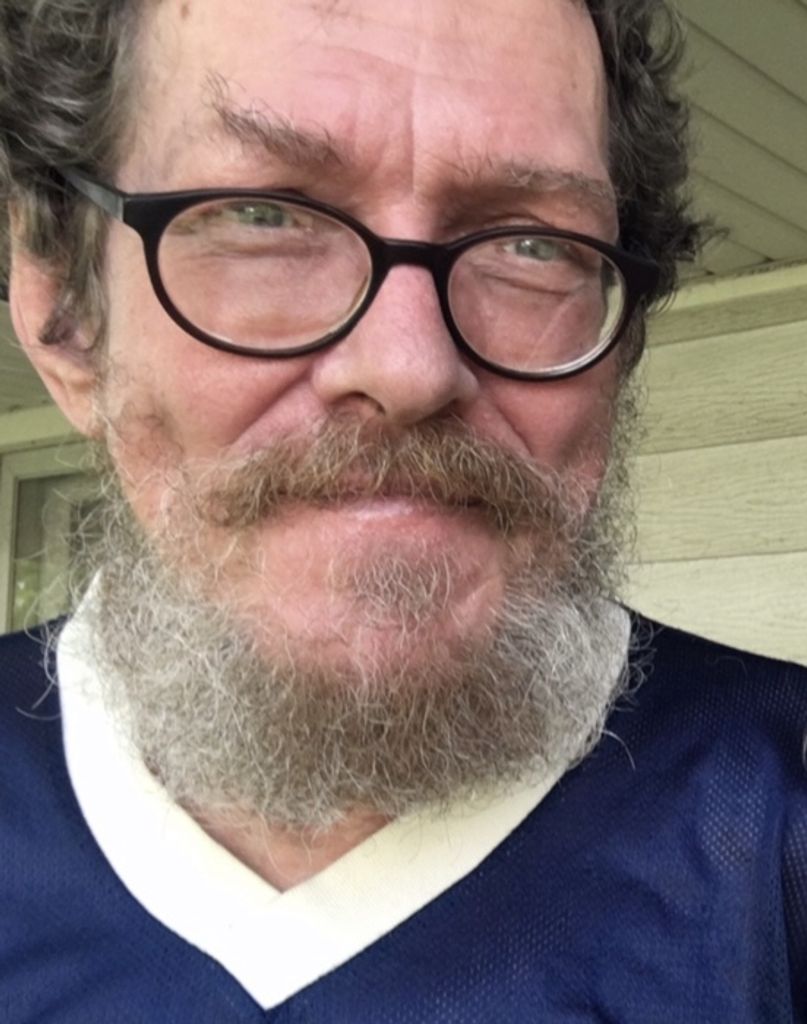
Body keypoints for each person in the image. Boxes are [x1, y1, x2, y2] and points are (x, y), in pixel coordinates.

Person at [1, 0, 805, 1020]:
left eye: (531, 243)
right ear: (64, 316)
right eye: (265, 215)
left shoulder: (777, 825)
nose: (409, 368)